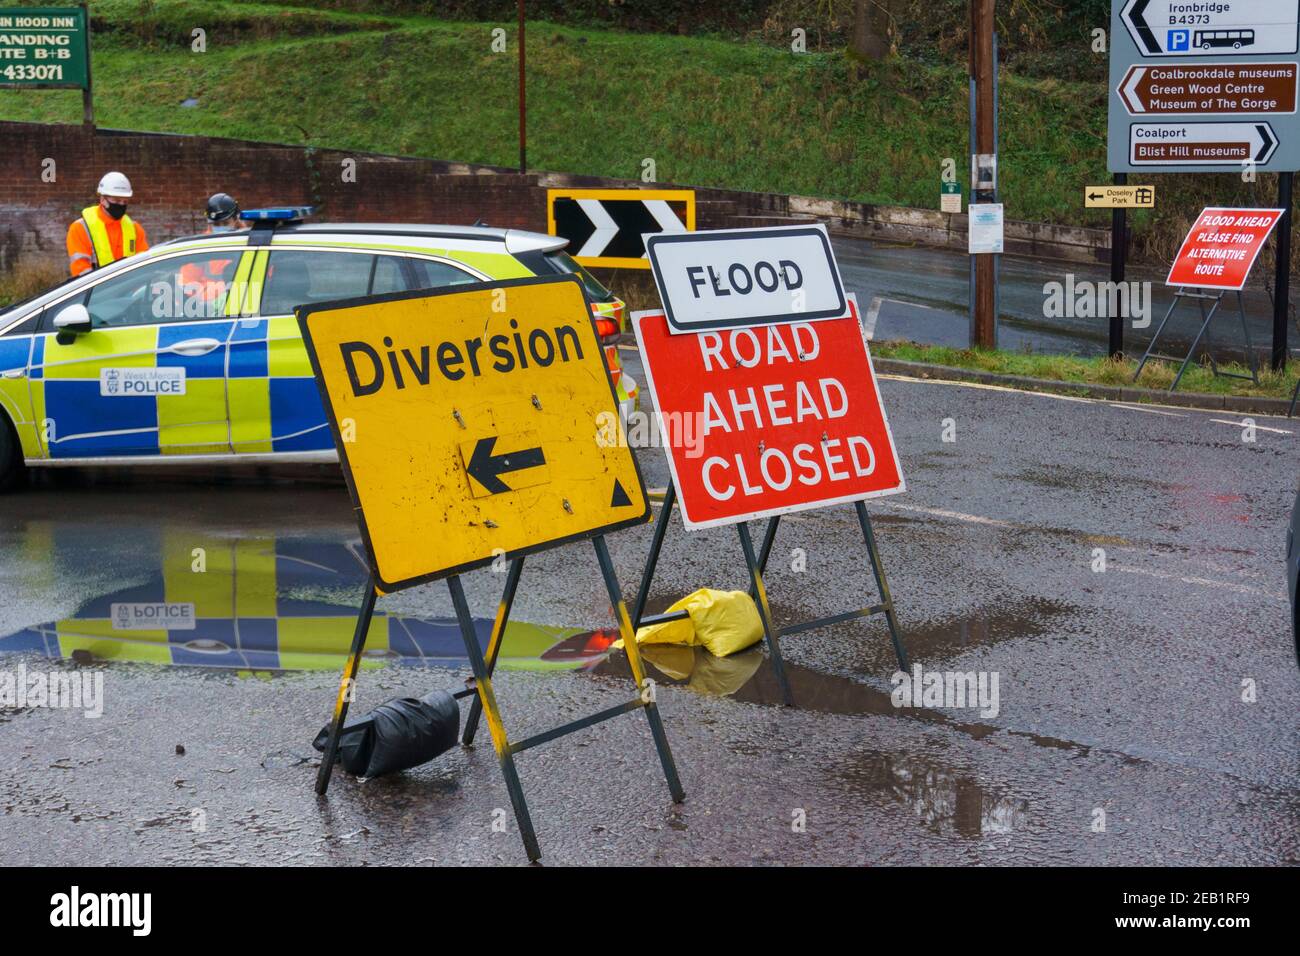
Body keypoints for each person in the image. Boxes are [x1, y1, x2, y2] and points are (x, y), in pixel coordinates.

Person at [66, 172, 149, 277]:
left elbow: (143, 267)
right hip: (97, 292)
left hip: (130, 291)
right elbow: (81, 271)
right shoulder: (80, 228)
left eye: (125, 201)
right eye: (117, 200)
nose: (121, 205)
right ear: (102, 200)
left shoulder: (135, 229)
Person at [178, 193, 243, 312]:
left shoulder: (249, 243)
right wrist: (211, 301)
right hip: (209, 310)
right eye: (216, 224)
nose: (220, 227)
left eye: (225, 223)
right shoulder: (202, 246)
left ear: (235, 219)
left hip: (245, 306)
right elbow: (188, 282)